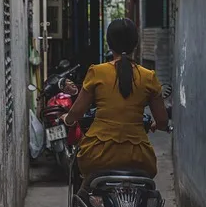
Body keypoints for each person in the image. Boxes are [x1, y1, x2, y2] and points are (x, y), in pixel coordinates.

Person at [62, 18, 169, 178]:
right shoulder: (148, 77)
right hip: (139, 157)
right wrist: (154, 124)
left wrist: (67, 120)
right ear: (136, 44)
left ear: (109, 44)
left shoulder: (97, 72)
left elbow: (77, 112)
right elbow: (162, 121)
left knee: (85, 185)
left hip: (98, 154)